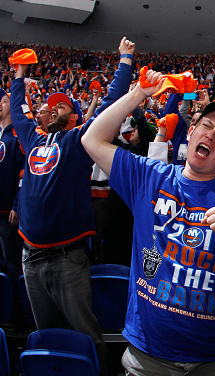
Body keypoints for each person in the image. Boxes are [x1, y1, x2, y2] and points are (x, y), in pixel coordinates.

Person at [82, 67, 215, 375]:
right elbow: (92, 139)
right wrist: (139, 93)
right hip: (149, 355)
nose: (210, 133)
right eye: (205, 126)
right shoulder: (149, 177)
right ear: (191, 132)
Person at [10, 38, 136, 376]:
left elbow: (111, 104)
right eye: (51, 106)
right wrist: (19, 74)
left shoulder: (78, 141)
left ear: (75, 116)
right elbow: (19, 106)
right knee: (48, 335)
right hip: (30, 258)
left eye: (61, 106)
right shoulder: (33, 139)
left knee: (85, 335)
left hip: (67, 257)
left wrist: (124, 61)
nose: (53, 109)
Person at [0, 89, 24, 269]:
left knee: (10, 261)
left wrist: (16, 204)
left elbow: (23, 174)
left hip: (7, 212)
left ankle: (14, 297)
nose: (0, 105)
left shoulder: (18, 136)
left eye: (4, 101)